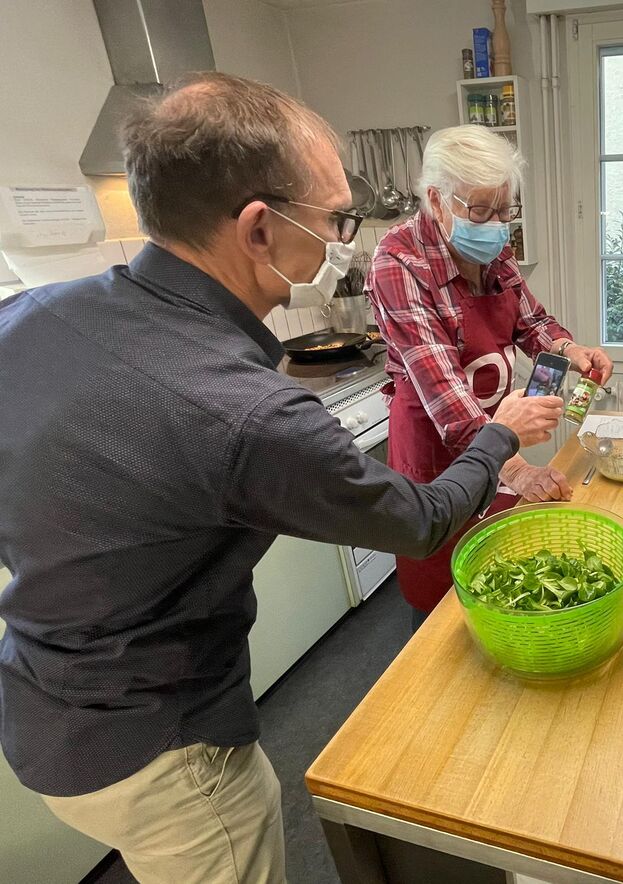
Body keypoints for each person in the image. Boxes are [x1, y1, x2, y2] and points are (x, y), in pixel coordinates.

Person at [0, 73, 563, 883]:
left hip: (39, 708)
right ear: (259, 228)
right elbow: (419, 521)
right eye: (335, 219)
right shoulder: (244, 410)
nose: (342, 242)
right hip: (166, 751)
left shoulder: (31, 312)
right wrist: (502, 433)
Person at [366, 125, 613, 626]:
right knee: (441, 604)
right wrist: (518, 471)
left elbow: (531, 322)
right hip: (436, 457)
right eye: (481, 211)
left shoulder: (492, 250)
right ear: (437, 199)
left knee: (499, 579)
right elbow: (448, 401)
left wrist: (571, 350)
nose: (498, 226)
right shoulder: (399, 264)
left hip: (492, 438)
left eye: (505, 210)